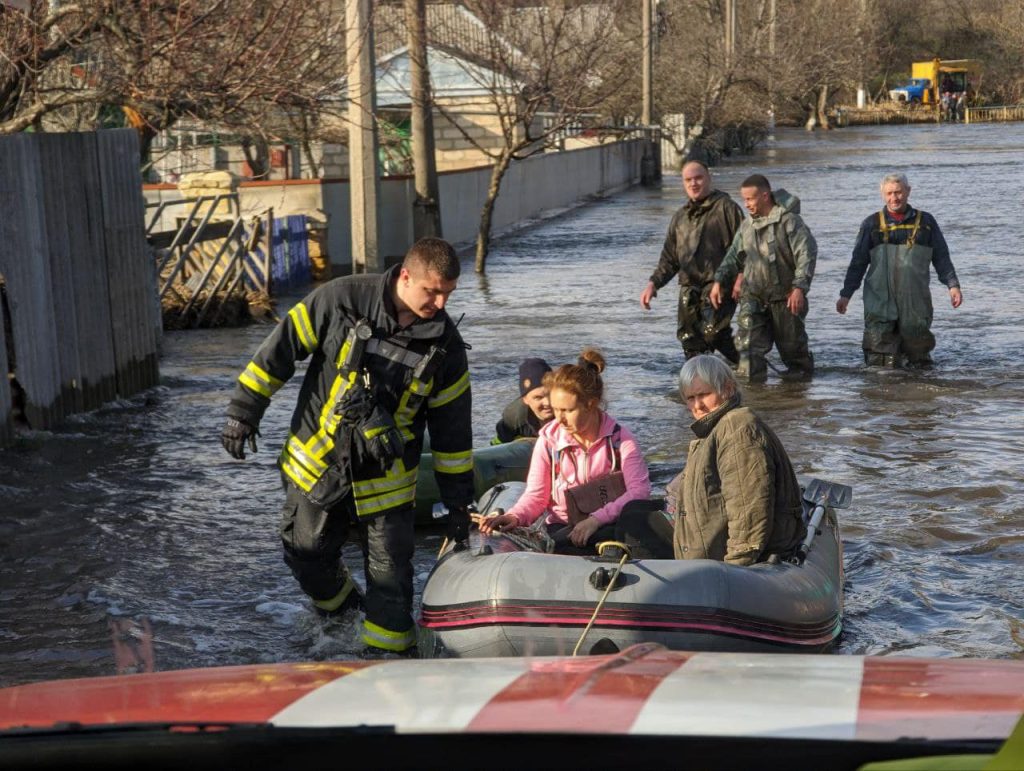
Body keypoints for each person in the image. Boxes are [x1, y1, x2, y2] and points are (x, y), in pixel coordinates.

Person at [220, 237, 474, 655]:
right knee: (305, 553)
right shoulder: (341, 298)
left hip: (387, 480)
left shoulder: (446, 348)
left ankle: (389, 661)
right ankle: (344, 618)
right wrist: (243, 413)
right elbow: (279, 350)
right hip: (318, 464)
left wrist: (458, 504)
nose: (441, 303)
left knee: (391, 582)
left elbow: (453, 435)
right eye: (432, 291)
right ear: (405, 276)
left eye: (448, 293)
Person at [618, 355, 806, 564]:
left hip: (723, 551)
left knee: (633, 524)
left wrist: (737, 564)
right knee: (634, 510)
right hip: (710, 528)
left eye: (704, 395)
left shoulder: (737, 430)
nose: (698, 406)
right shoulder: (718, 426)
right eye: (690, 398)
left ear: (727, 388)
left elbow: (748, 505)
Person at [479, 348, 650, 554]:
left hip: (610, 525)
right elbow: (536, 496)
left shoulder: (621, 441)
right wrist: (514, 516)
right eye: (556, 409)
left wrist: (596, 520)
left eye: (568, 411)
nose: (558, 419)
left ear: (590, 404)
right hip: (563, 528)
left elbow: (639, 493)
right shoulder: (548, 440)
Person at [836, 173, 962, 368]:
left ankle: (917, 393)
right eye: (889, 193)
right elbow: (858, 263)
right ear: (882, 195)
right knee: (879, 357)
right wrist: (846, 294)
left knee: (918, 355)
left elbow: (942, 257)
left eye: (898, 192)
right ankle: (882, 394)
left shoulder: (926, 222)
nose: (894, 198)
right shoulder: (871, 224)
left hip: (915, 300)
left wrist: (953, 286)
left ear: (908, 191)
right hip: (879, 300)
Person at [710, 174, 818, 383]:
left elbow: (807, 254)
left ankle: (798, 401)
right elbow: (734, 256)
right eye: (744, 199)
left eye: (750, 199)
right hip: (754, 296)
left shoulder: (790, 222)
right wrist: (719, 281)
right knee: (748, 349)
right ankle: (756, 399)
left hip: (785, 298)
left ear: (765, 196)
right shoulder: (746, 226)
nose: (746, 204)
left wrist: (799, 288)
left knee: (793, 354)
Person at [640, 160, 745, 363]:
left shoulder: (726, 208)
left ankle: (748, 367)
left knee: (714, 332)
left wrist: (741, 278)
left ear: (708, 178)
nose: (693, 183)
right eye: (688, 180)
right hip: (689, 285)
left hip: (719, 284)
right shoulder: (680, 217)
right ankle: (701, 381)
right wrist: (653, 284)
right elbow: (670, 258)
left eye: (698, 178)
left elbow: (745, 247)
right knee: (689, 340)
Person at [490, 357, 553, 444]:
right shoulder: (514, 418)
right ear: (525, 399)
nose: (548, 402)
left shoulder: (570, 406)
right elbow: (497, 447)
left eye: (551, 394)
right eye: (538, 397)